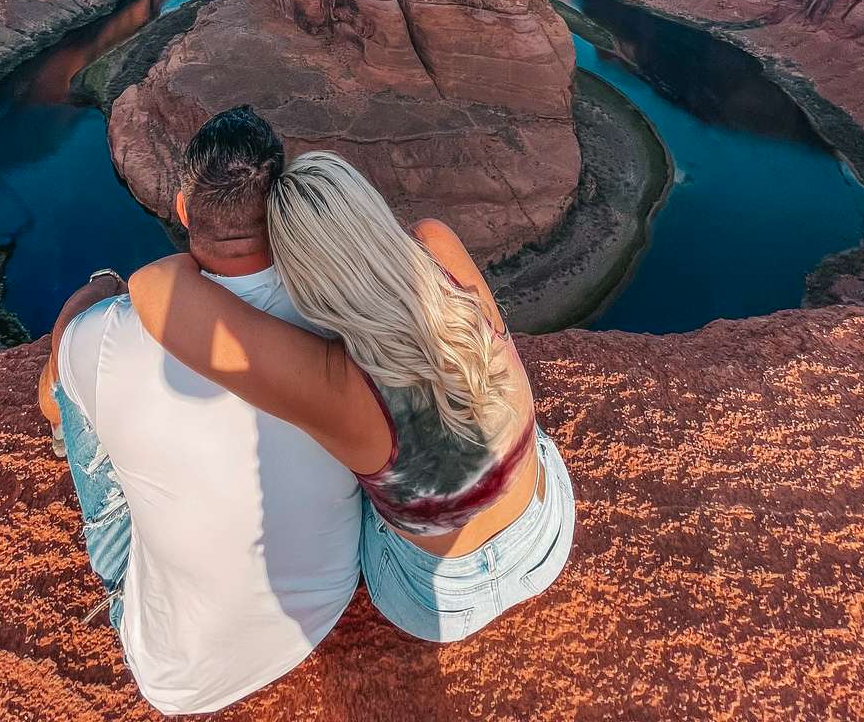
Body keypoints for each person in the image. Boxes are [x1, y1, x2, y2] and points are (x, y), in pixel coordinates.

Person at [128, 150, 575, 644]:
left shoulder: (337, 385)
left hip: (439, 601)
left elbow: (153, 288)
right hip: (546, 534)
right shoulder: (436, 243)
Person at [38, 109, 361, 715]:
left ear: (184, 210)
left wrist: (101, 287)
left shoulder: (108, 339)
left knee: (81, 398)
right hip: (326, 602)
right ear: (285, 204)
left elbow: (50, 388)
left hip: (177, 672)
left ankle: (118, 574)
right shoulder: (342, 312)